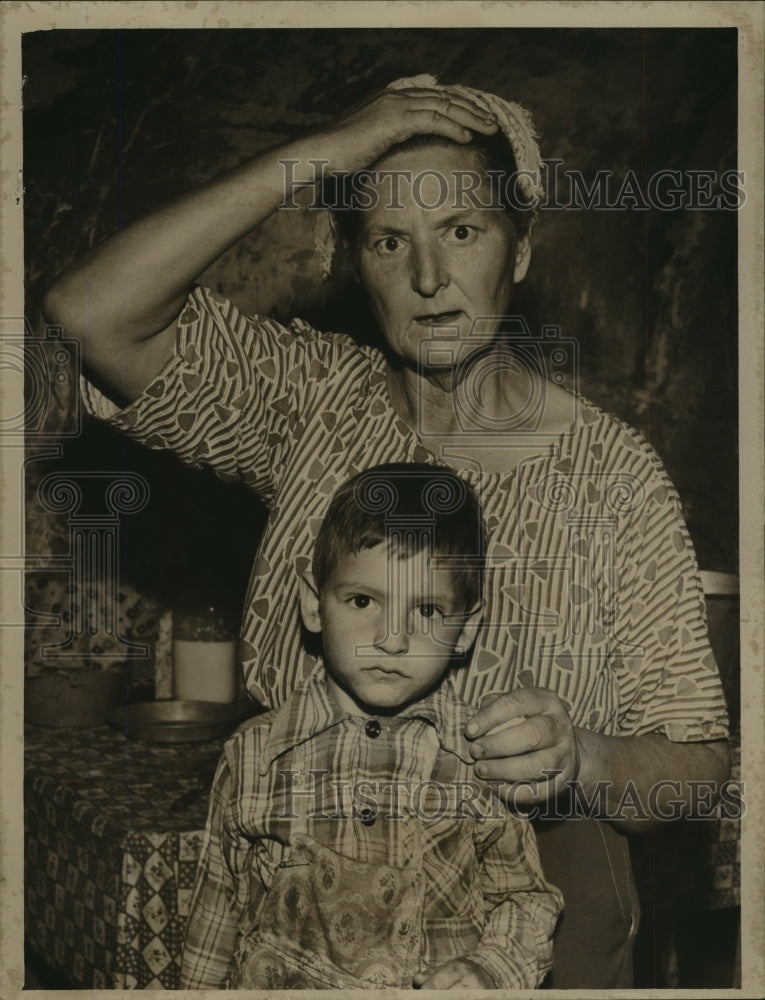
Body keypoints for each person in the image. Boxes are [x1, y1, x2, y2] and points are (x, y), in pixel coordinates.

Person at [43, 74, 730, 987]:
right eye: (388, 239)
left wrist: (584, 755)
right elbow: (89, 314)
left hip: (528, 910)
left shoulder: (613, 475)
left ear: (519, 253)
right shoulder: (312, 398)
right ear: (355, 263)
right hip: (303, 916)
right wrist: (326, 150)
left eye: (461, 232)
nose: (428, 278)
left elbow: (695, 767)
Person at [180, 463, 563, 990]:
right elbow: (213, 923)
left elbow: (527, 899)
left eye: (427, 610)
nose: (392, 639)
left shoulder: (481, 762)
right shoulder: (252, 756)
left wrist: (490, 968)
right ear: (314, 605)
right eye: (363, 601)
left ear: (467, 629)